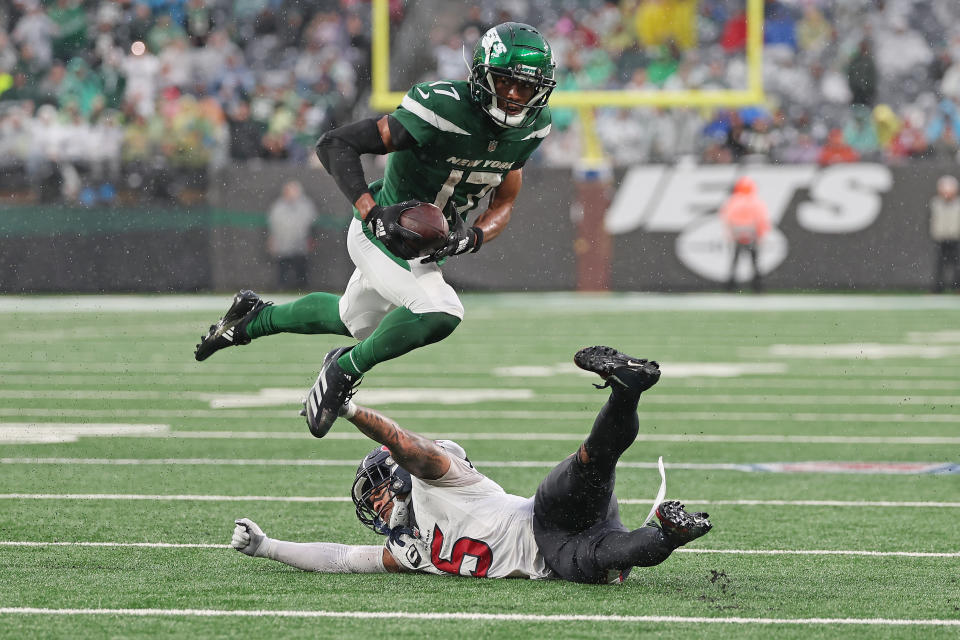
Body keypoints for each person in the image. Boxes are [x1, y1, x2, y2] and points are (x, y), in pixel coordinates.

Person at [194, 22, 556, 439]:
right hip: (386, 232)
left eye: (526, 87)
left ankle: (250, 320)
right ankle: (342, 370)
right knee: (441, 311)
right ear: (481, 77)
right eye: (506, 81)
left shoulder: (533, 127)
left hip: (426, 244)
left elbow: (505, 199)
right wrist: (371, 213)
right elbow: (335, 144)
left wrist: (472, 237)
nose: (514, 95)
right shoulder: (442, 107)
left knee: (355, 321)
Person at [230, 346, 713, 584]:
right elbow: (340, 558)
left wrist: (351, 410)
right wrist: (268, 547)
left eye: (378, 491)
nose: (377, 507)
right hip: (555, 561)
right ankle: (672, 531)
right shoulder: (407, 550)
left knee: (593, 461)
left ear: (396, 475)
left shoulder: (438, 478)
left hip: (544, 520)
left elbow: (403, 442)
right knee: (612, 558)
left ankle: (626, 389)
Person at [721, 176, 770, 293]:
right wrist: (760, 236)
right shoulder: (756, 201)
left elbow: (727, 219)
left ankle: (731, 286)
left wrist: (730, 235)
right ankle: (757, 286)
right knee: (755, 262)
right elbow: (762, 220)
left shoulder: (733, 201)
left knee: (735, 261)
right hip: (752, 234)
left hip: (737, 234)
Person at [267, 180, 318, 290]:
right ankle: (282, 289)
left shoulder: (305, 206)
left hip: (300, 245)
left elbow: (310, 224)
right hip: (283, 245)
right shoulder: (278, 206)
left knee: (301, 272)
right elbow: (274, 225)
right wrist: (273, 241)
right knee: (282, 272)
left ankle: (301, 290)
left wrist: (310, 240)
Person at [930, 175, 960, 293]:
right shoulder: (935, 203)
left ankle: (957, 288)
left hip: (956, 238)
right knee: (940, 265)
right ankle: (937, 289)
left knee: (957, 265)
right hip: (941, 238)